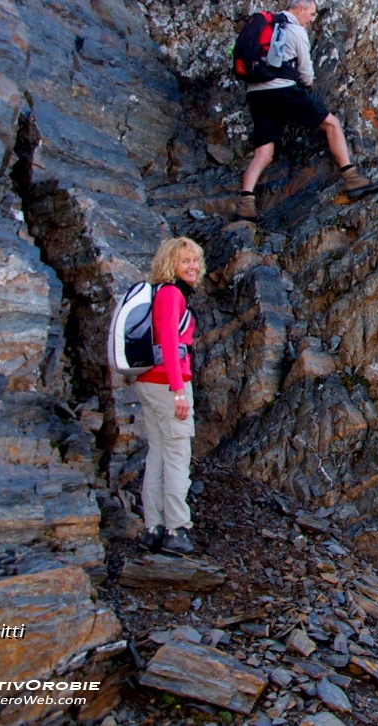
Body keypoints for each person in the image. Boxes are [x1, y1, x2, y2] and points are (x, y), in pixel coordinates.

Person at [235, 0, 378, 220]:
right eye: (311, 14)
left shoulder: (268, 25)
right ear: (299, 9)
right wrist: (308, 84)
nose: (312, 20)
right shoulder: (294, 30)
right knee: (332, 124)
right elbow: (305, 71)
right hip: (283, 90)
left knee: (264, 151)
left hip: (256, 93)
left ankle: (245, 203)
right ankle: (352, 178)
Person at [136, 236, 202, 556]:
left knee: (159, 454)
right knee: (176, 456)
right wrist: (178, 392)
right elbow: (168, 344)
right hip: (167, 384)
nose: (193, 266)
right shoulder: (171, 294)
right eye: (185, 261)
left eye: (195, 260)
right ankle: (177, 529)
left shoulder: (163, 293)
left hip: (151, 382)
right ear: (170, 264)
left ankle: (154, 528)